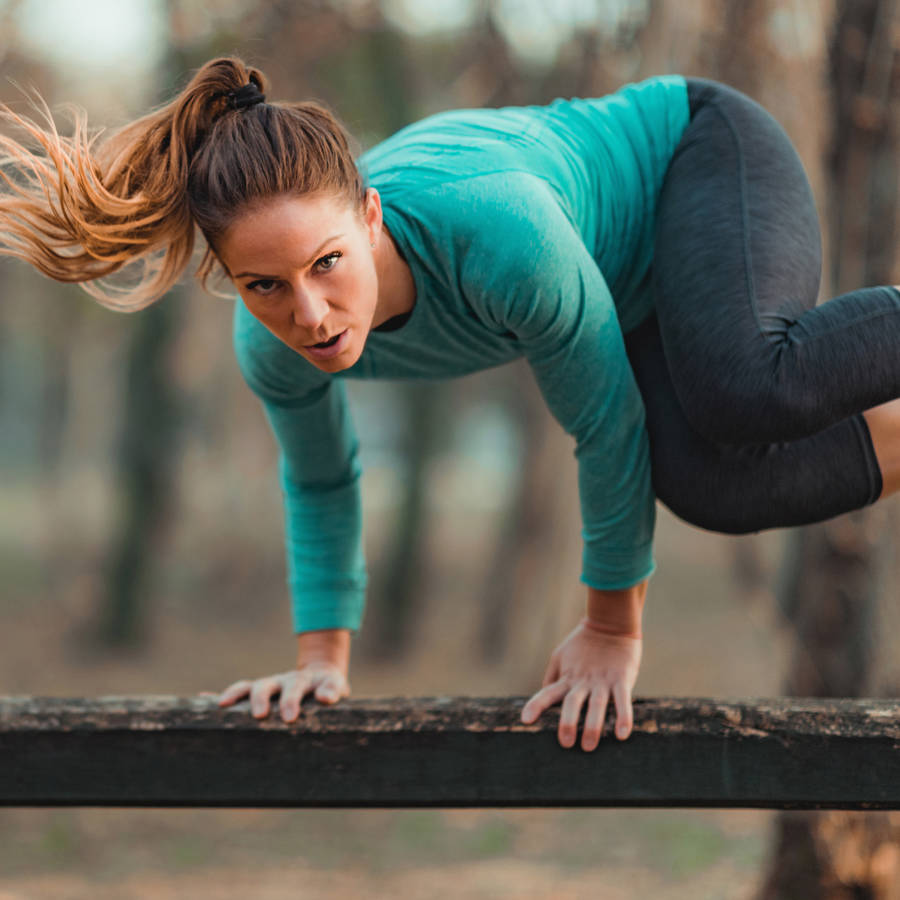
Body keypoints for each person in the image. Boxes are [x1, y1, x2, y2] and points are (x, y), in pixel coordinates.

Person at [3, 57, 900, 755]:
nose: (307, 314)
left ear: (370, 215)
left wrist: (608, 628)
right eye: (263, 285)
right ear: (229, 280)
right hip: (633, 294)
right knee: (714, 487)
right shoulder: (270, 351)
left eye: (326, 264)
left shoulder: (498, 235)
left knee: (751, 387)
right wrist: (320, 662)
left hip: (696, 158)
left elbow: (603, 426)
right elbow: (322, 484)